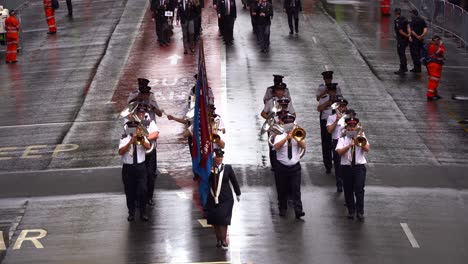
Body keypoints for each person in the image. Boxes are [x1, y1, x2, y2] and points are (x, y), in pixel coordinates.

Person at [205, 149, 241, 248]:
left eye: (221, 157)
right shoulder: (210, 169)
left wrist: (238, 193)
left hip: (226, 198)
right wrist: (211, 172)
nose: (220, 159)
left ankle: (224, 239)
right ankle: (218, 240)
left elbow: (234, 181)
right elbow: (206, 181)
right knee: (215, 220)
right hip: (213, 197)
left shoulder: (228, 168)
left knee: (223, 219)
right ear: (214, 158)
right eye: (218, 157)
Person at [336, 117, 370, 221]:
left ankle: (360, 212)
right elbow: (339, 152)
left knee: (359, 189)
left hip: (359, 167)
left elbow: (367, 149)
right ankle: (351, 211)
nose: (352, 128)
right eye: (350, 126)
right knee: (348, 189)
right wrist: (349, 146)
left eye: (353, 126)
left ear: (356, 127)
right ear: (346, 127)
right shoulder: (342, 139)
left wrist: (359, 141)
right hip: (346, 167)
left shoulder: (361, 137)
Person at [273, 114, 306, 218]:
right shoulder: (279, 136)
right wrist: (286, 138)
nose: (289, 124)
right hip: (281, 166)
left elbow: (303, 146)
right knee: (281, 189)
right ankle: (282, 208)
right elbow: (276, 147)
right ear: (283, 124)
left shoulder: (297, 134)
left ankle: (298, 210)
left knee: (296, 189)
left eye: (290, 123)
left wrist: (296, 138)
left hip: (295, 166)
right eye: (287, 123)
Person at [118, 120, 152, 222]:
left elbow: (148, 147)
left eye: (135, 128)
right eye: (132, 128)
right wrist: (130, 142)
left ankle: (143, 212)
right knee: (130, 192)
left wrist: (140, 140)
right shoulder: (124, 138)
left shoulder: (142, 137)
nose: (134, 130)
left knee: (143, 190)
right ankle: (131, 213)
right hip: (128, 168)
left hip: (140, 167)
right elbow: (120, 151)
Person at [316, 71, 342, 174]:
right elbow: (319, 107)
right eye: (330, 91)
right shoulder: (324, 96)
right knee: (326, 143)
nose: (332, 92)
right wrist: (327, 102)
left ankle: (337, 162)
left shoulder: (339, 99)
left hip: (337, 121)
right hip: (326, 119)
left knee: (336, 141)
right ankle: (327, 164)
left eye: (333, 91)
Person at [326, 98, 354, 193]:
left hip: (347, 140)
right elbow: (329, 130)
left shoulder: (349, 118)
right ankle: (339, 183)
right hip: (336, 141)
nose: (341, 108)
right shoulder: (331, 117)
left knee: (348, 161)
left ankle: (348, 182)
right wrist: (336, 120)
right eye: (340, 106)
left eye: (343, 106)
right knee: (338, 163)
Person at [426, 35, 445, 101]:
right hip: (434, 65)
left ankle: (434, 94)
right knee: (433, 80)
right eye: (439, 40)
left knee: (434, 80)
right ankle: (430, 96)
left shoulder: (431, 45)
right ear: (437, 40)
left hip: (433, 64)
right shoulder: (433, 46)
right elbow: (441, 51)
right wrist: (441, 45)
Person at [409, 9, 427, 73]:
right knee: (419, 53)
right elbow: (425, 29)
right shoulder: (422, 20)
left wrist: (417, 36)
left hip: (414, 40)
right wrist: (422, 36)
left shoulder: (413, 21)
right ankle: (417, 68)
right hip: (420, 40)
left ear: (413, 14)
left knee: (414, 54)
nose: (410, 15)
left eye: (411, 13)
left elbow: (411, 30)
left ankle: (417, 68)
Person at [393, 8, 411, 75]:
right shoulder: (404, 18)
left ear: (395, 12)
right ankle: (404, 67)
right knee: (402, 53)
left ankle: (402, 68)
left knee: (401, 53)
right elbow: (408, 26)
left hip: (401, 39)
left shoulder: (397, 20)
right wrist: (409, 34)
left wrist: (407, 35)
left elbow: (400, 31)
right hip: (405, 40)